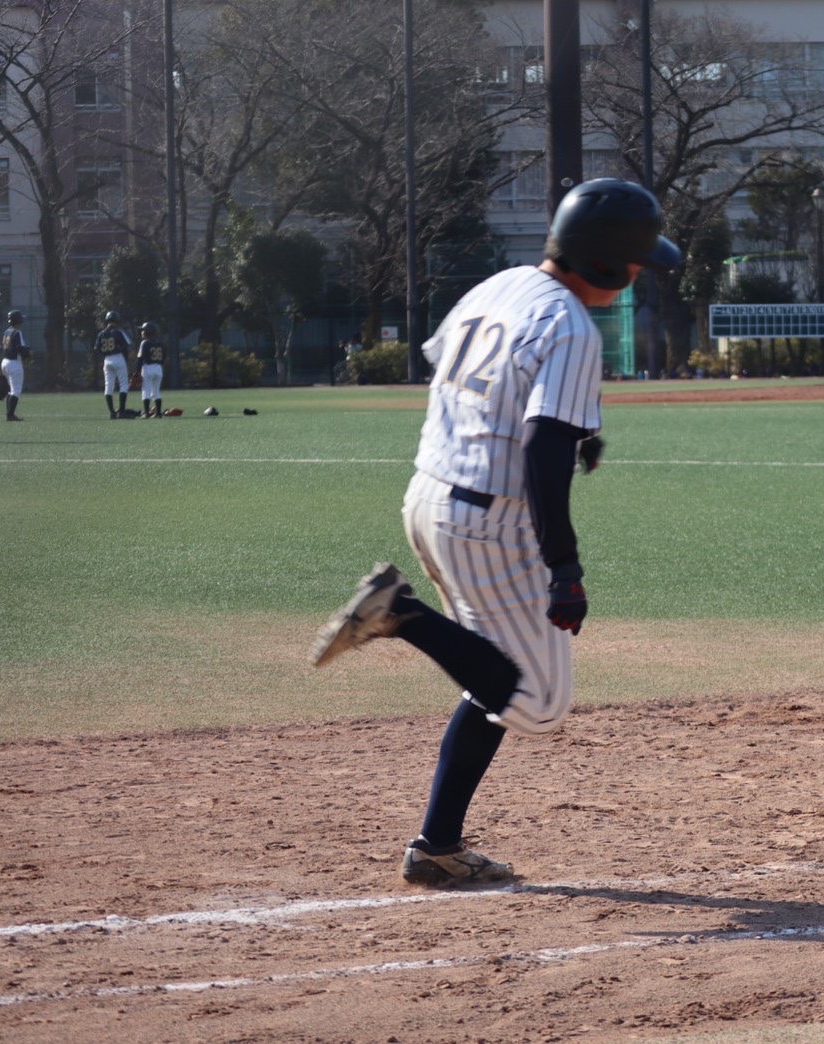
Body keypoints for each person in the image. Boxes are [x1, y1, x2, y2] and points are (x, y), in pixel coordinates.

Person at [309, 178, 681, 888]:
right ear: (605, 264)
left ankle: (437, 847)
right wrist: (564, 568)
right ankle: (402, 615)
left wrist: (581, 431)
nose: (639, 275)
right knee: (537, 703)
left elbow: (460, 374)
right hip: (489, 520)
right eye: (636, 263)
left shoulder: (500, 286)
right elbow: (542, 449)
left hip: (428, 496)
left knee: (491, 677)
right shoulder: (571, 324)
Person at [93, 311, 133, 417]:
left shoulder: (101, 333)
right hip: (118, 357)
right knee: (124, 385)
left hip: (107, 360)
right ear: (117, 321)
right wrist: (125, 359)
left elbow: (97, 349)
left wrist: (106, 354)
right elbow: (126, 346)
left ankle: (112, 412)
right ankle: (122, 412)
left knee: (108, 386)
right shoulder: (118, 332)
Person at [0, 309, 29, 421]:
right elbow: (20, 348)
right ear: (18, 320)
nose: (22, 322)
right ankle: (10, 415)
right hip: (14, 363)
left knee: (10, 390)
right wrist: (28, 353)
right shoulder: (17, 332)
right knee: (15, 391)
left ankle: (9, 414)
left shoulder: (7, 331)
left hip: (5, 362)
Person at [135, 322, 168, 417]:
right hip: (158, 368)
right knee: (156, 391)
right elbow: (164, 357)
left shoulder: (144, 343)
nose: (141, 332)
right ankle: (158, 413)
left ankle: (146, 413)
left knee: (146, 390)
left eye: (143, 330)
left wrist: (137, 371)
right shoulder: (160, 343)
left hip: (148, 367)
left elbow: (140, 358)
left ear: (146, 332)